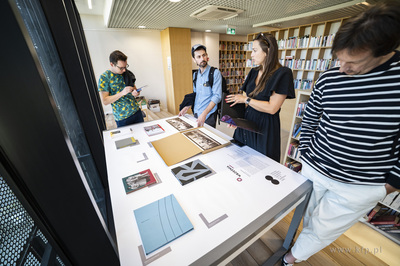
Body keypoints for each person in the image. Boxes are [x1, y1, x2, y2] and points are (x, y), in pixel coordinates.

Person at [282, 1, 400, 265]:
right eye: (339, 58)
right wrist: (307, 152)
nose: (343, 68)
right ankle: (295, 247)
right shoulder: (329, 78)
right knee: (308, 217)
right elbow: (311, 119)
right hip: (315, 168)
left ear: (385, 51)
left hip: (361, 184)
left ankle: (290, 258)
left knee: (324, 230)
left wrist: (390, 184)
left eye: (353, 62)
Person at [226, 33, 295, 162]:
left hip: (265, 128)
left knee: (262, 166)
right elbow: (248, 105)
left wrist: (245, 99)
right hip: (247, 124)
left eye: (254, 50)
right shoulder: (253, 72)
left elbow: (272, 108)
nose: (251, 55)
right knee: (240, 162)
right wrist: (238, 121)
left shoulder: (283, 73)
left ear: (267, 51)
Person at [178, 44, 222, 127]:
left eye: (203, 55)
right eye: (198, 57)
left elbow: (217, 96)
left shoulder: (215, 73)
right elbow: (196, 94)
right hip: (196, 113)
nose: (202, 58)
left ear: (207, 56)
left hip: (208, 115)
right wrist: (187, 107)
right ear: (194, 60)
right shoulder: (195, 75)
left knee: (207, 138)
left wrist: (204, 114)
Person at [98, 50, 144, 127]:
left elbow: (134, 90)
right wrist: (122, 93)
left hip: (137, 112)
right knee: (128, 139)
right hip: (122, 118)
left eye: (125, 66)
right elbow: (105, 101)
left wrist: (136, 93)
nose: (124, 70)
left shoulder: (127, 73)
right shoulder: (104, 78)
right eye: (121, 68)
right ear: (112, 64)